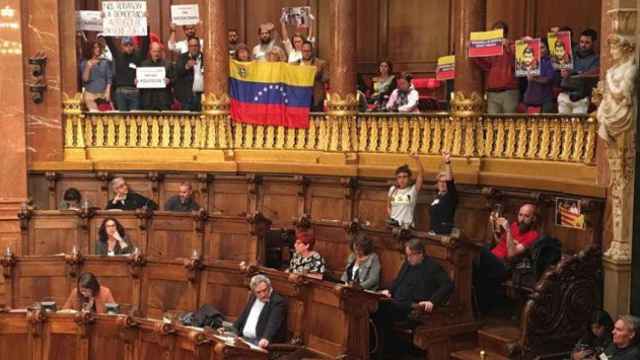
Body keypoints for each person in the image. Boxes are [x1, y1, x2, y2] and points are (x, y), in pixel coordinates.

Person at [373, 238, 454, 356]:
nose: (408, 258)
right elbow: (398, 280)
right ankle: (378, 351)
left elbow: (448, 285)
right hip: (396, 301)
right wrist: (389, 291)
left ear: (420, 253)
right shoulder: (408, 264)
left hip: (412, 308)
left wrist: (432, 301)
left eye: (411, 255)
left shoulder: (432, 267)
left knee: (381, 312)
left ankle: (385, 353)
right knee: (375, 308)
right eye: (407, 255)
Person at [473, 203, 540, 313]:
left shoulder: (533, 235)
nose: (522, 219)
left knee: (477, 250)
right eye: (520, 215)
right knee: (470, 261)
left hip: (504, 266)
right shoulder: (514, 226)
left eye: (526, 216)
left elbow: (511, 254)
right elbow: (501, 243)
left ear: (533, 218)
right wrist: (494, 228)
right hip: (493, 259)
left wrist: (508, 231)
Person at [473, 21, 519, 114]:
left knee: (508, 122)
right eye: (494, 32)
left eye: (499, 31)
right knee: (492, 122)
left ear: (505, 33)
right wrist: (475, 53)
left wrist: (508, 47)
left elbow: (521, 63)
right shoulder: (491, 48)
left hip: (509, 91)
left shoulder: (513, 45)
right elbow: (486, 65)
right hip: (492, 91)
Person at [232, 274, 287, 349]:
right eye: (258, 292)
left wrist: (266, 338)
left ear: (269, 287)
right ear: (254, 292)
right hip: (243, 338)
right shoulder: (253, 297)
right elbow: (243, 316)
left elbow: (273, 322)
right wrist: (232, 330)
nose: (263, 294)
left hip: (258, 342)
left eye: (265, 290)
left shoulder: (277, 301)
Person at [558, 29, 600, 114]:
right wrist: (563, 71)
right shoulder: (570, 54)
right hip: (565, 94)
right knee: (562, 125)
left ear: (594, 43)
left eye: (587, 42)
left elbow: (592, 75)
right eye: (581, 42)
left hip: (581, 97)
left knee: (577, 126)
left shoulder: (596, 59)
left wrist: (574, 73)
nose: (583, 45)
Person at [104, 33, 150, 111]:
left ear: (134, 46)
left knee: (134, 119)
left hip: (135, 92)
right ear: (122, 47)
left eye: (130, 45)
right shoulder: (118, 56)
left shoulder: (139, 56)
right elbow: (110, 42)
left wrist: (146, 28)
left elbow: (145, 43)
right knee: (122, 118)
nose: (128, 47)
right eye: (126, 45)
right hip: (121, 92)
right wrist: (106, 29)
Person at [387, 152, 424, 228]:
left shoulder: (413, 190)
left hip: (407, 227)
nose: (402, 179)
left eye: (404, 177)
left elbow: (421, 174)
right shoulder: (393, 189)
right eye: (399, 177)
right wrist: (393, 218)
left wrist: (417, 159)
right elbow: (388, 206)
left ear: (409, 178)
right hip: (393, 226)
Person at [523, 38, 556, 113]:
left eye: (542, 47)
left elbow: (548, 79)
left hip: (545, 100)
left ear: (547, 48)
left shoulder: (551, 61)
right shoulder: (529, 60)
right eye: (538, 47)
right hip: (530, 99)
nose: (540, 50)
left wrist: (533, 79)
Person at [139, 42, 174, 111]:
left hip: (163, 100)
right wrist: (137, 81)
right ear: (150, 52)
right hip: (148, 101)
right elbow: (140, 83)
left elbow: (175, 79)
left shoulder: (168, 64)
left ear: (161, 52)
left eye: (158, 51)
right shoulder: (143, 64)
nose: (156, 54)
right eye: (154, 51)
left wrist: (169, 81)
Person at [295, 41, 328, 112]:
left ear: (312, 51)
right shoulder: (295, 64)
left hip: (315, 98)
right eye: (304, 51)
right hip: (300, 98)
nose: (306, 53)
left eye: (308, 51)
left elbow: (325, 79)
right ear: (301, 51)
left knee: (317, 120)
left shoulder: (320, 63)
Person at [80, 40, 113, 111]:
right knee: (95, 115)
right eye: (95, 48)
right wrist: (88, 67)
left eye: (98, 47)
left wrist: (108, 91)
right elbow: (85, 79)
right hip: (90, 95)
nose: (97, 49)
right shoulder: (84, 63)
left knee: (107, 118)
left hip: (103, 94)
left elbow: (109, 78)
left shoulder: (105, 62)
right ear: (90, 49)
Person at [430, 151, 457, 235]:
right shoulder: (437, 196)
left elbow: (450, 182)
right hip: (434, 232)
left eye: (444, 182)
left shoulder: (451, 196)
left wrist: (447, 162)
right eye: (440, 181)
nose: (442, 183)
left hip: (444, 234)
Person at [174, 37, 204, 111]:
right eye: (191, 46)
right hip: (187, 96)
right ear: (188, 47)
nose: (193, 48)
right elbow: (176, 73)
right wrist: (186, 66)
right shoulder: (182, 57)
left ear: (199, 46)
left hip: (202, 95)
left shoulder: (205, 57)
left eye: (195, 46)